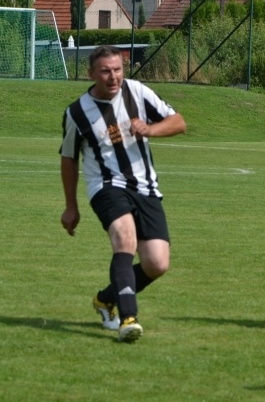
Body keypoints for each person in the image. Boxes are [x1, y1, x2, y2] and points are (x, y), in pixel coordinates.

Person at [59, 45, 186, 343]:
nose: (113, 76)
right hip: (106, 186)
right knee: (124, 239)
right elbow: (68, 159)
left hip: (146, 187)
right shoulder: (77, 112)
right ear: (90, 73)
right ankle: (128, 318)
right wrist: (70, 206)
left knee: (157, 263)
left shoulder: (137, 92)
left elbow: (179, 122)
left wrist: (151, 130)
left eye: (117, 69)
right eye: (105, 71)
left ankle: (105, 299)